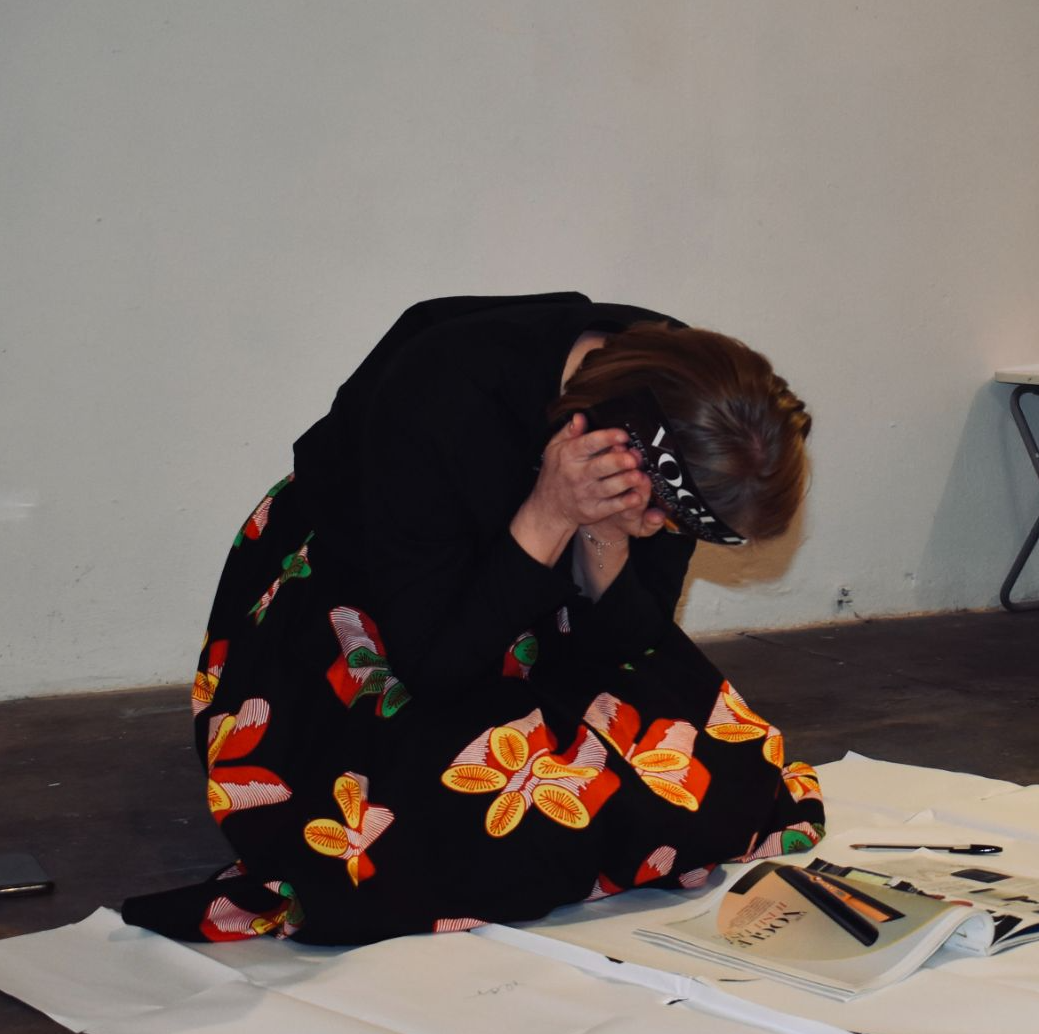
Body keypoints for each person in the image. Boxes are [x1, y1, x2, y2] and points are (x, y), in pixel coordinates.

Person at [123, 291, 823, 946]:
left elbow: (627, 643)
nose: (662, 528)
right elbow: (433, 665)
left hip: (529, 598)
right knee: (432, 832)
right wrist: (550, 511)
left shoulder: (674, 405)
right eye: (666, 514)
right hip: (373, 602)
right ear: (624, 444)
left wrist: (602, 535)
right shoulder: (447, 387)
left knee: (727, 781)